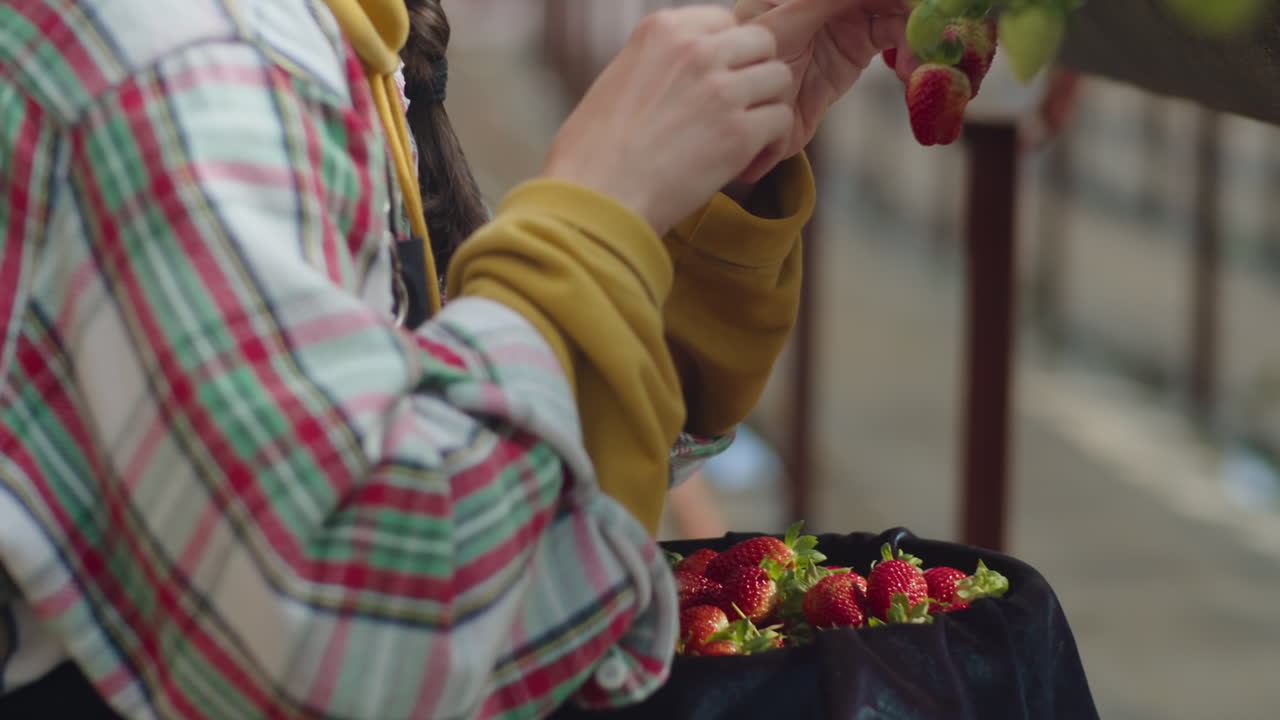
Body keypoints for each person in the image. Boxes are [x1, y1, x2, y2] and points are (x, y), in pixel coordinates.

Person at [0, 0, 910, 717]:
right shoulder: (189, 55)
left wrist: (694, 176)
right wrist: (601, 206)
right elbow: (368, 636)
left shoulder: (308, 35)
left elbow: (493, 471)